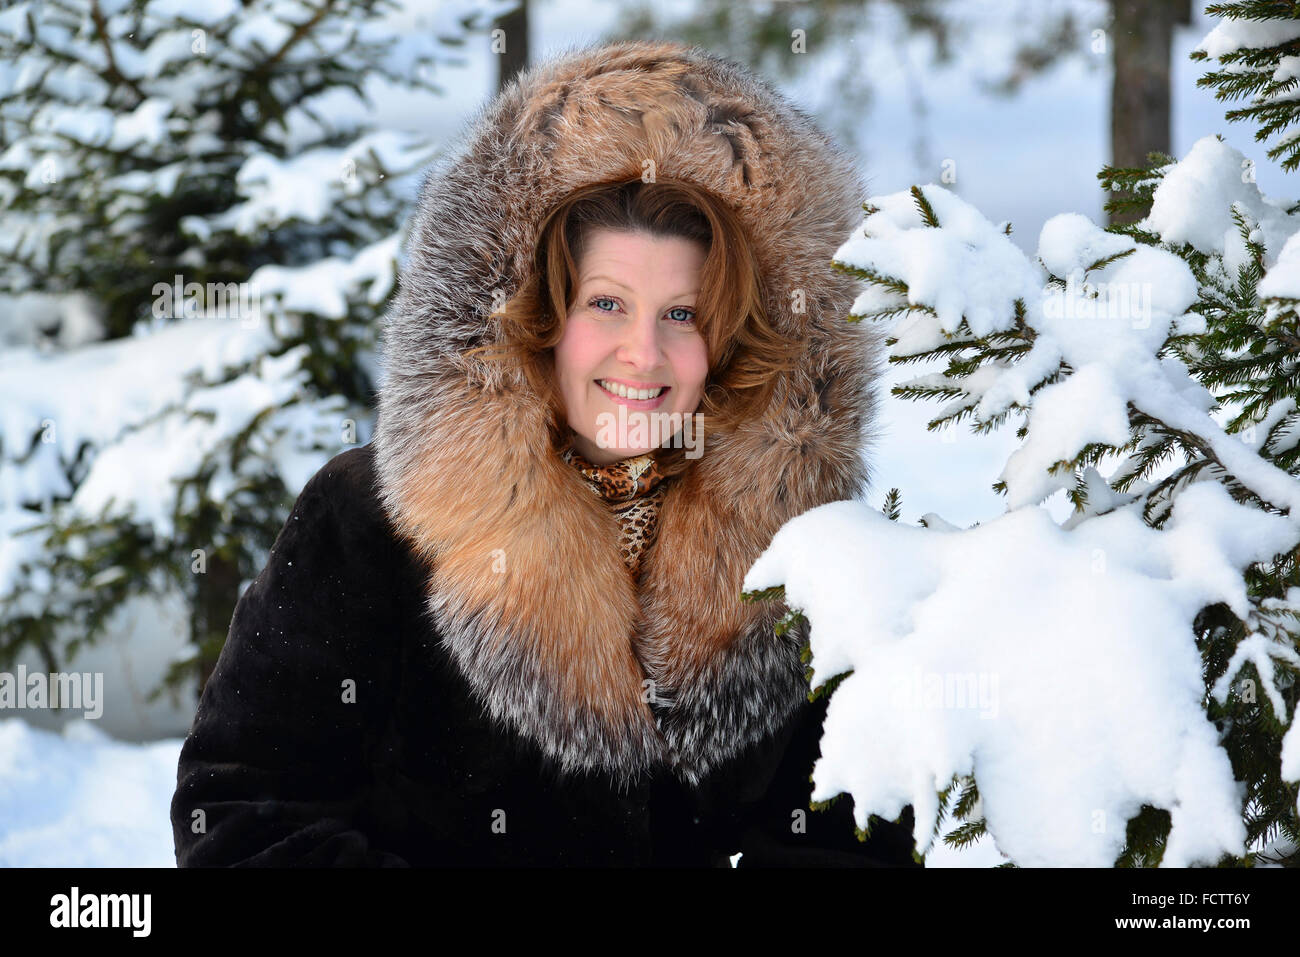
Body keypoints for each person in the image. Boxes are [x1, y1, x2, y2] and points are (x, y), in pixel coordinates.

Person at [170, 38, 921, 867]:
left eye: (682, 313)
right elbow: (241, 807)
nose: (643, 353)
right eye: (607, 303)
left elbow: (856, 828)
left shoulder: (802, 551)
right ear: (540, 319)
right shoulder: (368, 517)